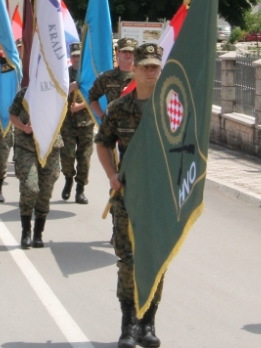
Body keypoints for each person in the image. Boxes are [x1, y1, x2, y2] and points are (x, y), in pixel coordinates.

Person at [95, 42, 164, 348]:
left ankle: (148, 323)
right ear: (133, 69)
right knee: (127, 260)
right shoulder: (119, 107)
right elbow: (103, 142)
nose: (150, 71)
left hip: (160, 196)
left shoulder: (172, 106)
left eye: (155, 66)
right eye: (145, 66)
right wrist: (111, 174)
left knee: (155, 259)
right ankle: (128, 323)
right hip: (127, 195)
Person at [9, 86, 63, 249]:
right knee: (30, 187)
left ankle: (38, 233)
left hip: (50, 147)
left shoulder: (57, 91)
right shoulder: (25, 93)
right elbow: (12, 115)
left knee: (45, 191)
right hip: (27, 146)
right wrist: (24, 126)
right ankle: (26, 231)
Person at [60, 42, 95, 204]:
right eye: (74, 55)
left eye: (79, 56)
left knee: (84, 158)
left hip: (86, 123)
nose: (76, 59)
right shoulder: (64, 74)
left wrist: (80, 106)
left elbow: (95, 96)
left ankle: (80, 190)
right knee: (67, 155)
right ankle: (68, 179)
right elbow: (57, 94)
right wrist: (70, 88)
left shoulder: (90, 76)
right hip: (67, 122)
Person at [88, 37, 137, 120]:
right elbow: (92, 97)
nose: (128, 54)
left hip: (136, 127)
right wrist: (102, 116)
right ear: (118, 53)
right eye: (125, 51)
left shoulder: (142, 77)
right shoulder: (107, 77)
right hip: (113, 127)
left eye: (131, 52)